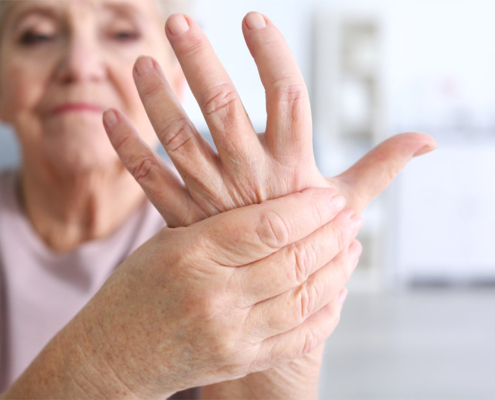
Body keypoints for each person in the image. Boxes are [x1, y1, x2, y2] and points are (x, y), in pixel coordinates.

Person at [0, 0, 436, 398]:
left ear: (175, 81)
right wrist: (114, 359)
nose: (80, 65)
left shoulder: (232, 234)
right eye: (36, 35)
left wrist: (267, 369)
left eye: (121, 34)